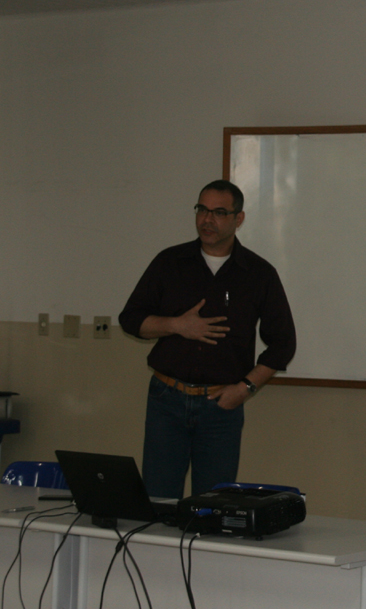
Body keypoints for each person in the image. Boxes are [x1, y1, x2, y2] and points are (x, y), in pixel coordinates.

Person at [119, 180, 296, 499]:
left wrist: (245, 389)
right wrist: (176, 325)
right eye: (202, 210)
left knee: (214, 506)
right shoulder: (169, 262)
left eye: (218, 212)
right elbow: (130, 319)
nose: (207, 219)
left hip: (221, 406)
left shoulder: (259, 273)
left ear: (238, 219)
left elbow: (283, 343)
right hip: (166, 399)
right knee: (158, 501)